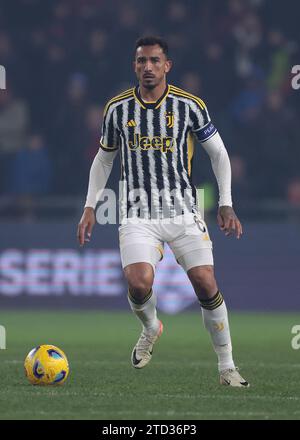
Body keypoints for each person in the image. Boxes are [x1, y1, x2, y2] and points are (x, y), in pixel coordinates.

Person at [77, 36, 249, 387]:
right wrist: (89, 206)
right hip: (137, 213)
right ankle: (151, 326)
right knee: (139, 284)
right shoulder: (117, 109)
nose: (148, 67)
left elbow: (218, 153)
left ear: (167, 65)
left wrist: (227, 202)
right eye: (141, 61)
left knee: (205, 283)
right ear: (134, 66)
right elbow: (104, 158)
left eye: (155, 61)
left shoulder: (190, 105)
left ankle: (227, 367)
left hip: (183, 209)